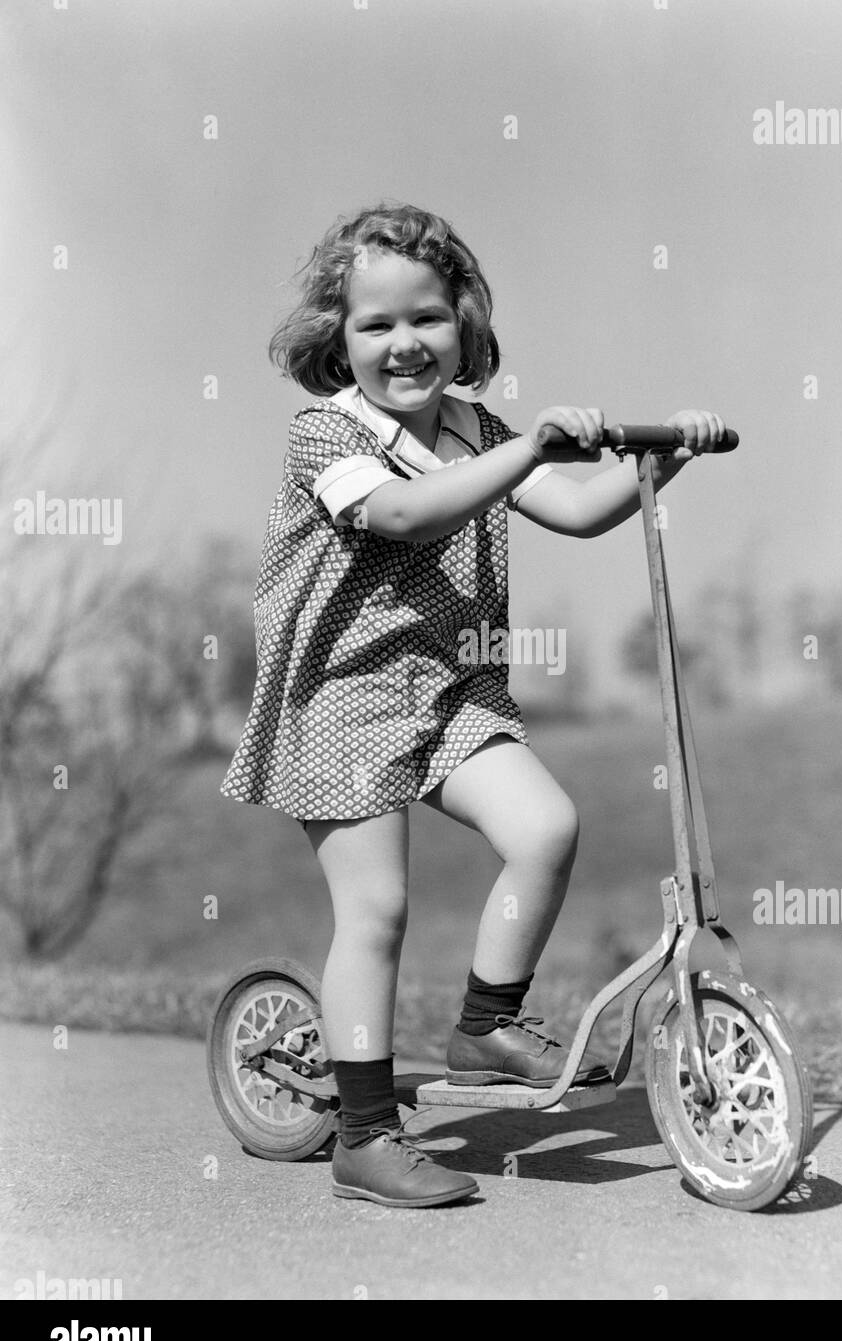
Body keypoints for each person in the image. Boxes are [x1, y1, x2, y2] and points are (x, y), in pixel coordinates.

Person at [220, 202, 725, 1207]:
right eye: (375, 326)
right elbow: (407, 513)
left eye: (427, 319)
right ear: (338, 338)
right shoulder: (326, 435)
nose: (404, 344)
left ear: (464, 324)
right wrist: (530, 446)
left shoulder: (473, 429)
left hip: (446, 689)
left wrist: (653, 464)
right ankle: (363, 1135)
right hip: (342, 696)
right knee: (377, 907)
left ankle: (487, 1023)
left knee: (544, 825)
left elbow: (577, 511)